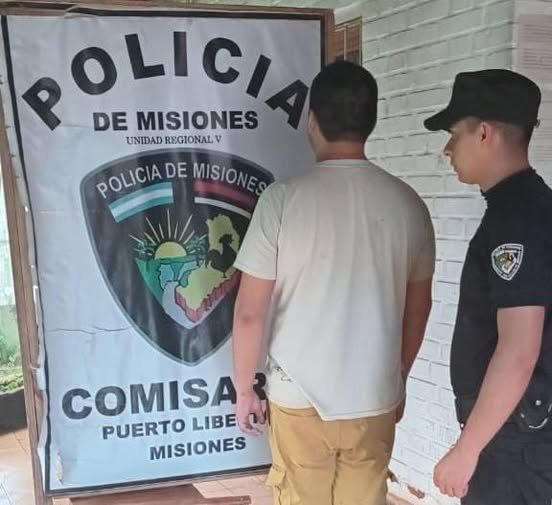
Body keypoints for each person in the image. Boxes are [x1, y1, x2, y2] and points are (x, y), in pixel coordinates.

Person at [231, 60, 435, 505]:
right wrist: (399, 377)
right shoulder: (409, 204)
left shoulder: (281, 201)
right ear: (372, 121)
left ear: (313, 121)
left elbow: (249, 313)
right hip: (373, 396)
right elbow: (419, 309)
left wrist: (245, 390)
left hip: (297, 395)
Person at [425, 69, 552, 505]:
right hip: (521, 438)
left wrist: (466, 451)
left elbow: (518, 350)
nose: (447, 149)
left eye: (453, 134)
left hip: (515, 449)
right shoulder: (530, 206)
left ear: (484, 133)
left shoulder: (516, 220)